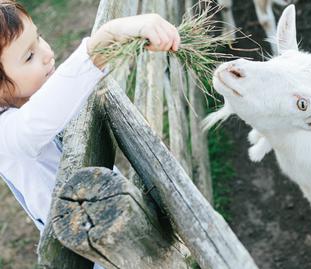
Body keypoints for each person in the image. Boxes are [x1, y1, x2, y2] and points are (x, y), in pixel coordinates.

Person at [0, 1, 180, 267]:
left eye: (38, 38)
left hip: (107, 215)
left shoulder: (27, 98)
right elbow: (38, 120)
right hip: (94, 250)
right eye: (29, 56)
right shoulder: (7, 135)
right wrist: (104, 42)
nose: (47, 53)